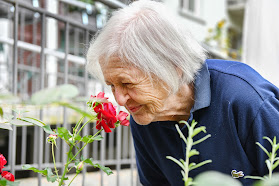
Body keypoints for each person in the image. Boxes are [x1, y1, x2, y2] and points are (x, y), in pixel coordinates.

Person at [86, 0, 279, 185]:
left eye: (127, 83)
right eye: (111, 85)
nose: (120, 99)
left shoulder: (246, 99)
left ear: (173, 68)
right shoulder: (146, 114)